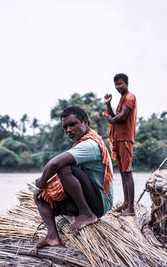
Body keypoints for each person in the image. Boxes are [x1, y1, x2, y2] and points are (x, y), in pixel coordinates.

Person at [34, 106, 113, 248]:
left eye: (72, 124)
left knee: (64, 168)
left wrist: (41, 182)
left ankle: (86, 213)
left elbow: (55, 163)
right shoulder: (81, 143)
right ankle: (52, 236)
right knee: (41, 197)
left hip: (99, 203)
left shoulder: (90, 144)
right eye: (65, 127)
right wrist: (44, 188)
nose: (68, 130)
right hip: (90, 198)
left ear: (85, 122)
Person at [103, 73, 137, 216]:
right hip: (118, 139)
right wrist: (108, 104)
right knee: (123, 172)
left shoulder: (130, 97)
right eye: (116, 85)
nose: (118, 87)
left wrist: (111, 119)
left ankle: (131, 208)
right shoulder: (122, 99)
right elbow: (115, 116)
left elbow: (121, 117)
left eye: (120, 84)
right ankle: (126, 203)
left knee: (127, 172)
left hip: (125, 139)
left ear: (127, 83)